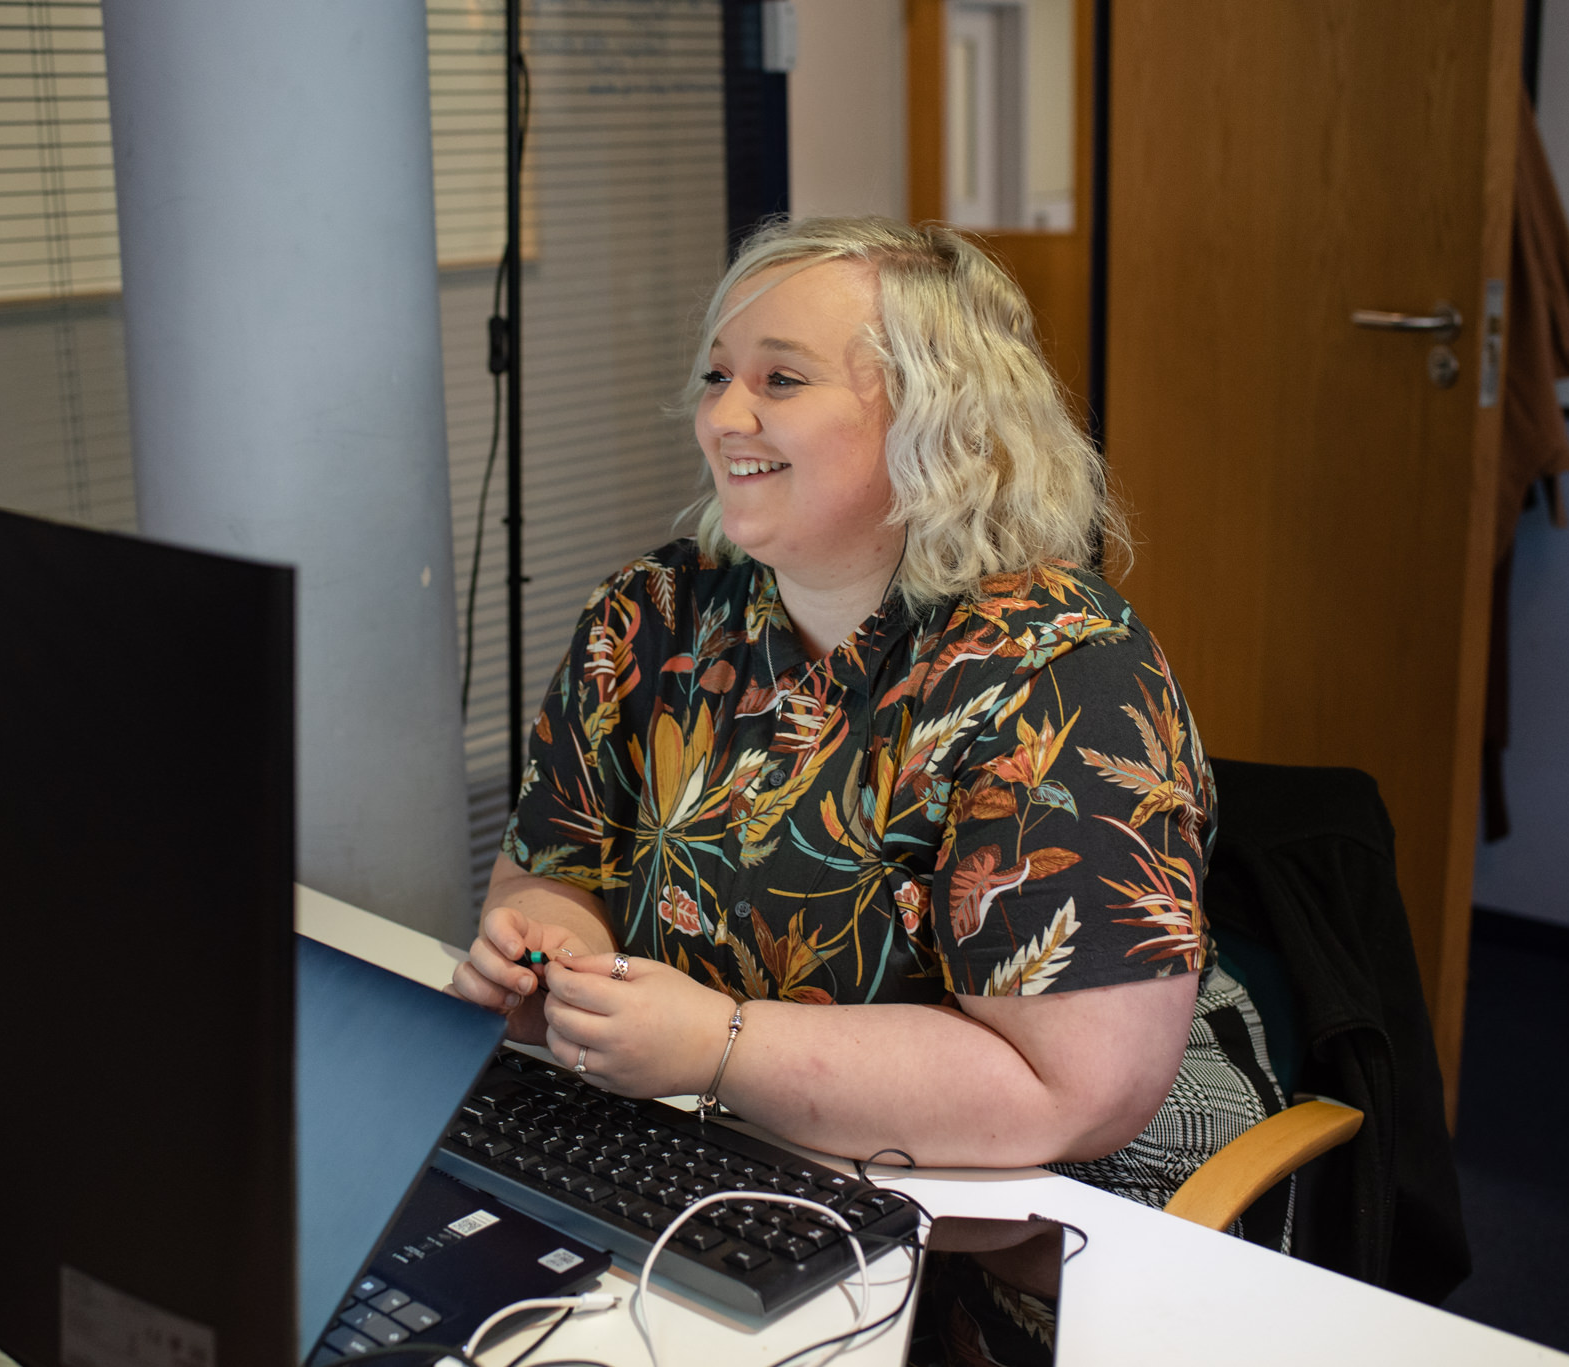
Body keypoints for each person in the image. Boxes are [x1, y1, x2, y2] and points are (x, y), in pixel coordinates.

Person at [449, 216, 1283, 1224]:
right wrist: (550, 952)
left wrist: (717, 1043)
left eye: (780, 379)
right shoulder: (649, 617)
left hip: (1036, 1207)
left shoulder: (1060, 669)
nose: (723, 417)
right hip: (727, 1149)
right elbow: (550, 869)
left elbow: (1073, 1089)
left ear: (938, 419)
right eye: (717, 376)